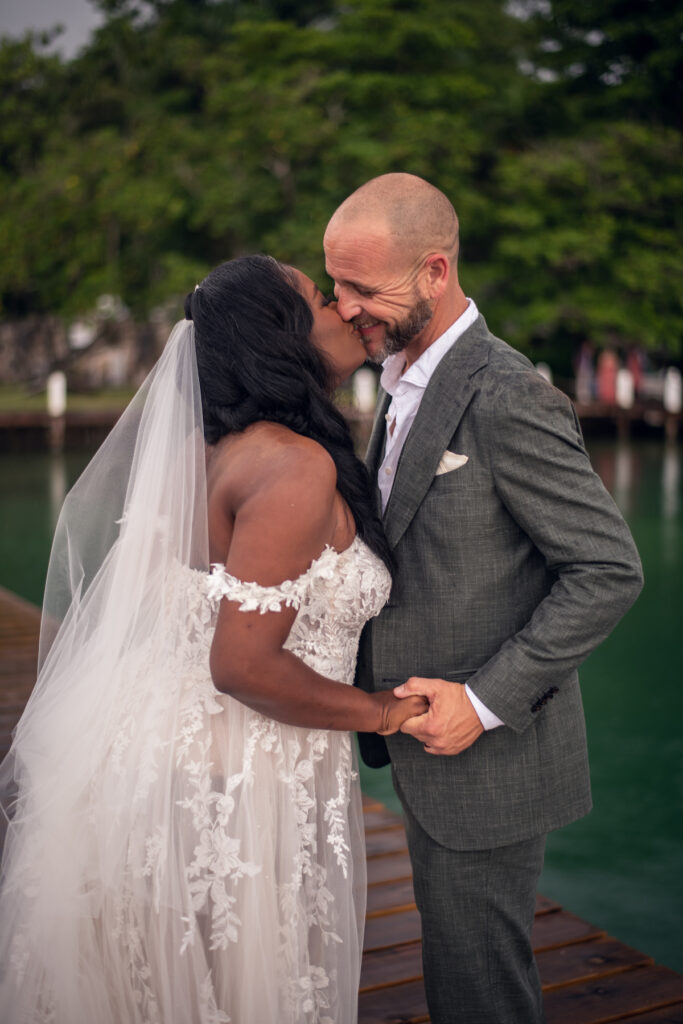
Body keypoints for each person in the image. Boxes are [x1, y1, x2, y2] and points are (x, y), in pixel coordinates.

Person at [0, 254, 427, 1024]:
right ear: (279, 336)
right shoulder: (291, 467)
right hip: (229, 780)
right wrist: (382, 713)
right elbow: (240, 665)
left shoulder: (209, 455)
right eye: (318, 298)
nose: (341, 306)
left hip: (154, 759)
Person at [323, 173, 644, 1024]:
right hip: (418, 743)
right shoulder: (399, 373)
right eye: (335, 284)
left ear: (434, 271)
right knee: (453, 973)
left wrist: (483, 701)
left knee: (479, 991)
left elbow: (607, 570)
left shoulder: (508, 396)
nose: (344, 306)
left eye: (363, 287)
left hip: (486, 753)